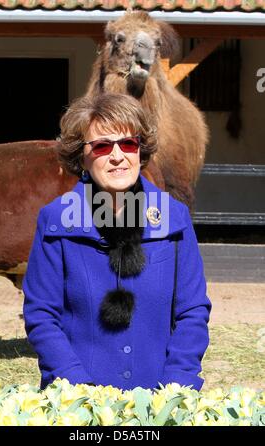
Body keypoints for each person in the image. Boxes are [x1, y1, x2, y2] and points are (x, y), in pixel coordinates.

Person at [22, 93, 212, 392]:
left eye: (128, 144)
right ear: (81, 155)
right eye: (101, 146)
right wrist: (79, 393)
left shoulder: (174, 218)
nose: (117, 156)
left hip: (159, 398)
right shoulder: (56, 219)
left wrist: (175, 388)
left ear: (140, 150)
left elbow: (192, 311)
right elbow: (42, 316)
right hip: (77, 402)